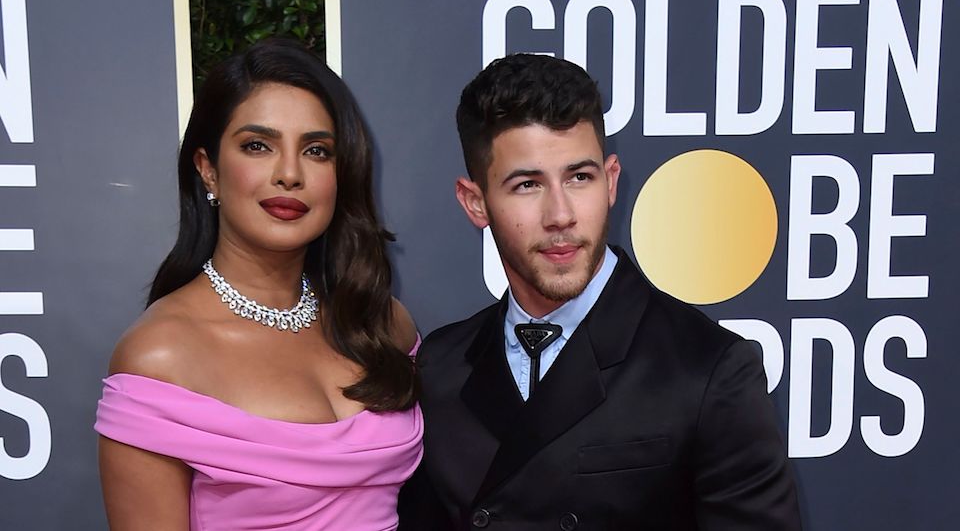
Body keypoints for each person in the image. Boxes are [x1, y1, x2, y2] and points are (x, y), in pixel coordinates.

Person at [398, 54, 801, 530]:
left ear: (610, 181)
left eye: (579, 177)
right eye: (527, 184)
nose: (561, 214)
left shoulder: (708, 370)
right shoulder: (441, 367)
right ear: (475, 202)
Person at [95, 39, 421, 531]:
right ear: (209, 170)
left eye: (316, 151)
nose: (289, 174)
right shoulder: (160, 357)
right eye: (257, 145)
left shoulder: (383, 323)